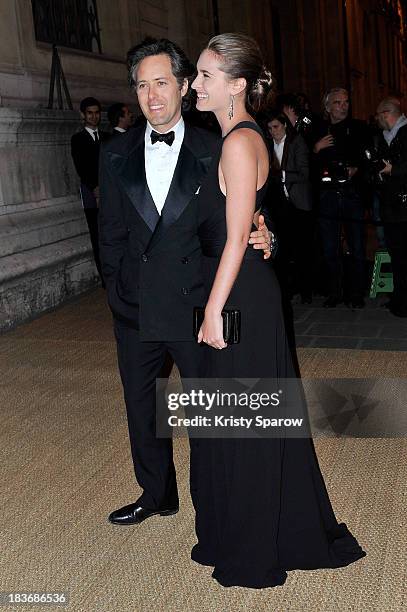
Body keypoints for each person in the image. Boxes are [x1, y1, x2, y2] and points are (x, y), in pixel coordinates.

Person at [190, 33, 366, 589]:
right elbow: (259, 221)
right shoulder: (241, 137)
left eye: (205, 76)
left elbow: (238, 240)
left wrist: (213, 309)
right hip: (247, 287)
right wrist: (261, 235)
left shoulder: (240, 143)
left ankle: (251, 546)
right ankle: (260, 529)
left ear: (236, 86)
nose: (197, 84)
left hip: (239, 293)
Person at [98, 38, 271, 527]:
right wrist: (115, 291)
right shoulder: (113, 153)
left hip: (197, 305)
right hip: (134, 306)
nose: (152, 97)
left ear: (182, 85)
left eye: (161, 83)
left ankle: (214, 506)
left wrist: (266, 230)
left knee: (206, 415)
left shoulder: (216, 145)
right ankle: (156, 495)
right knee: (142, 408)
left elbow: (244, 214)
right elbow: (109, 234)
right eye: (141, 86)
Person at [313, 88, 369, 308]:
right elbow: (308, 165)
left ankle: (356, 294)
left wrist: (356, 169)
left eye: (346, 102)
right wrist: (317, 149)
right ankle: (334, 292)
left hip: (352, 195)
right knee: (330, 246)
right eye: (337, 102)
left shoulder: (359, 128)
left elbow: (367, 159)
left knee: (356, 245)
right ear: (327, 107)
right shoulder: (318, 130)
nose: (343, 106)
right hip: (327, 195)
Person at [265, 112, 313, 303]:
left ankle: (306, 290)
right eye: (269, 129)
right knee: (283, 251)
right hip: (279, 205)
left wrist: (281, 175)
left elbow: (304, 172)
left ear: (284, 125)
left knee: (303, 249)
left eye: (276, 127)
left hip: (298, 204)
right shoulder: (268, 145)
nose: (273, 132)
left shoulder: (296, 142)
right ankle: (286, 289)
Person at [71, 97, 108, 283]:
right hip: (92, 194)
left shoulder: (107, 137)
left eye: (96, 113)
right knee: (97, 235)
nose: (94, 117)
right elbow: (81, 167)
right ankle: (104, 276)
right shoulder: (78, 139)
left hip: (110, 193)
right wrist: (95, 188)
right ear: (83, 115)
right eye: (90, 113)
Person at [376, 97, 407, 317]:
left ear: (388, 113)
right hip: (391, 207)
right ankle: (399, 298)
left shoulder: (405, 134)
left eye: (379, 115)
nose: (377, 119)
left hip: (404, 206)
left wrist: (392, 169)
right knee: (396, 254)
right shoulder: (384, 137)